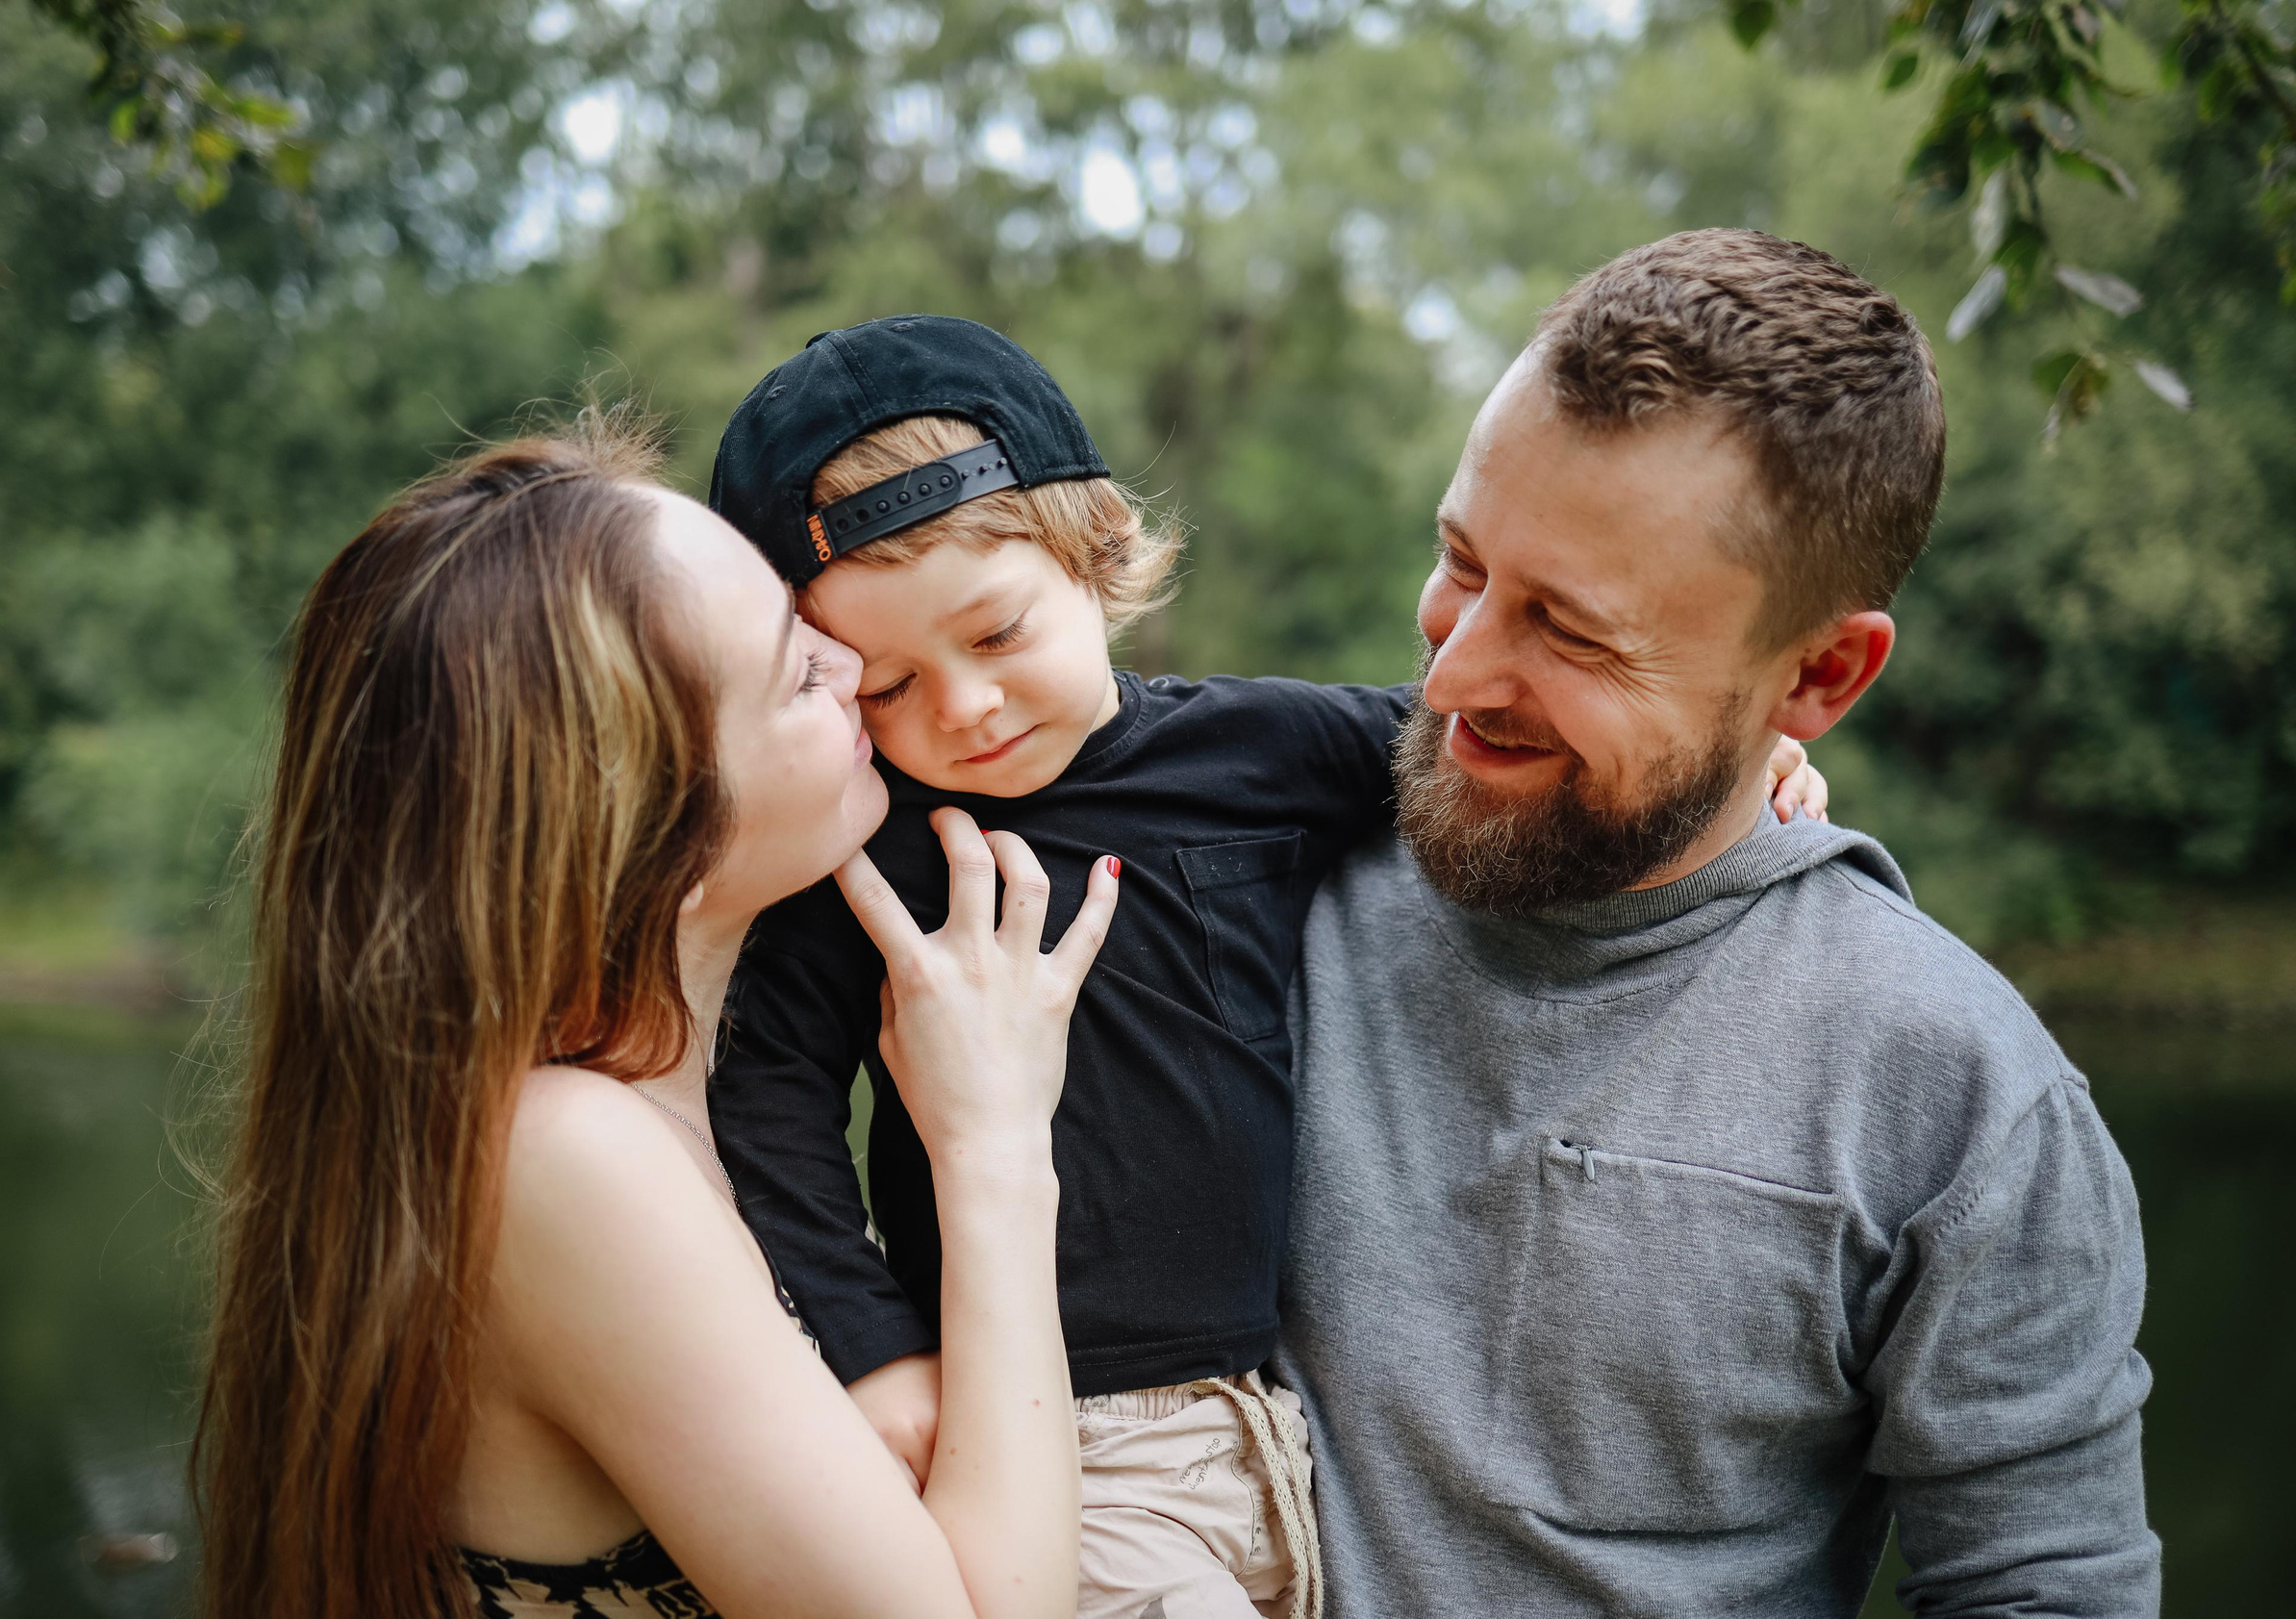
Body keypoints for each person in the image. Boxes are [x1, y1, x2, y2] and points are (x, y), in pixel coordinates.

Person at [701, 316, 1824, 1619]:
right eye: (886, 684)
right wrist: (877, 1349)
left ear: (1103, 554)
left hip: (1281, 1431)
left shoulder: (1258, 748)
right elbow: (765, 1102)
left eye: (997, 635)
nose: (963, 707)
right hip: (1041, 1431)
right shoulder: (872, 845)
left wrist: (1738, 766)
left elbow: (1502, 760)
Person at [1271, 229, 2160, 1615]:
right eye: (1462, 559)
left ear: (1820, 674)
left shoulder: (1963, 1098)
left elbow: (2048, 1587)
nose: (1452, 672)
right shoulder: (1248, 868)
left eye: (1570, 630)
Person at [189, 414, 1121, 1619]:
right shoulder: (564, 1157)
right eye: (799, 668)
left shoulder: (639, 1104)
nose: (851, 665)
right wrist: (994, 1141)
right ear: (647, 833)